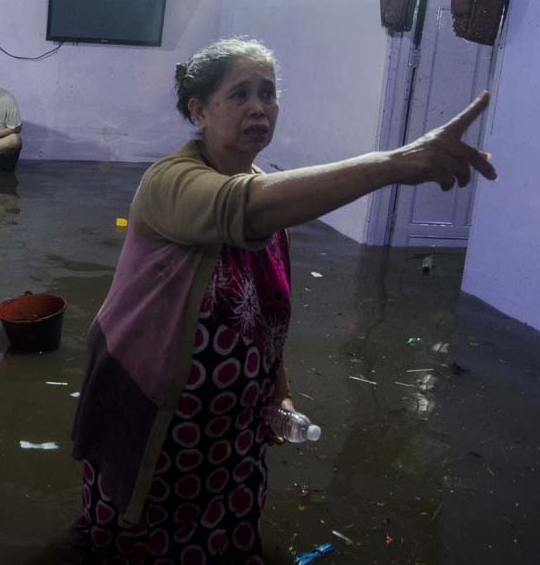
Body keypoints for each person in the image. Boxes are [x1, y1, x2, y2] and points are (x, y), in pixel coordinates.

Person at [70, 37, 497, 563]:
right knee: (138, 533)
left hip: (234, 423)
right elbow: (242, 209)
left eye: (268, 94)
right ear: (198, 110)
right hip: (153, 408)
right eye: (241, 94)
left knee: (223, 532)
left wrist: (280, 390)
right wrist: (394, 163)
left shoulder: (268, 191)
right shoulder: (169, 183)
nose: (259, 107)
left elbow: (267, 311)